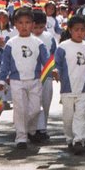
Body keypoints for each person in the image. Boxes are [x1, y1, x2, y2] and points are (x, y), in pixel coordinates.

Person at [0, 7, 49, 150]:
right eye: (20, 23)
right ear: (15, 25)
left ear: (32, 24)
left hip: (35, 80)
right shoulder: (11, 43)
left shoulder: (38, 43)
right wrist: (2, 79)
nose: (24, 26)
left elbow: (46, 61)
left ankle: (31, 130)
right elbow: (5, 63)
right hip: (16, 81)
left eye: (27, 22)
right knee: (20, 109)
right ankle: (21, 137)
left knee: (34, 110)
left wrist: (53, 70)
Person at [56, 15, 85, 154]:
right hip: (67, 89)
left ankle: (79, 140)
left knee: (81, 115)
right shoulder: (63, 46)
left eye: (82, 30)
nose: (80, 33)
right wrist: (56, 71)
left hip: (84, 89)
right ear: (70, 30)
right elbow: (58, 64)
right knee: (68, 117)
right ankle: (70, 139)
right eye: (76, 30)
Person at [29, 10, 56, 143]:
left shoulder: (49, 37)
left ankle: (43, 128)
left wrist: (55, 70)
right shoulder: (26, 37)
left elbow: (53, 55)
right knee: (34, 104)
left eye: (41, 27)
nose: (38, 30)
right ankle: (32, 128)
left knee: (45, 102)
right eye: (35, 27)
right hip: (31, 76)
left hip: (47, 75)